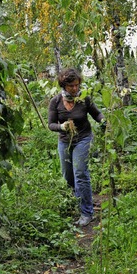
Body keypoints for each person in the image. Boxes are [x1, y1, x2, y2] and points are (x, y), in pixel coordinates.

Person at [48, 68, 106, 226]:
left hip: (83, 139)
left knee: (80, 173)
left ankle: (87, 212)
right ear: (64, 85)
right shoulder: (56, 101)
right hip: (65, 141)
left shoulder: (84, 99)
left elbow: (96, 114)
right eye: (71, 86)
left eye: (77, 85)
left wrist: (103, 121)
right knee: (68, 176)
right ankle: (80, 199)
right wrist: (62, 127)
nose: (75, 89)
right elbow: (51, 124)